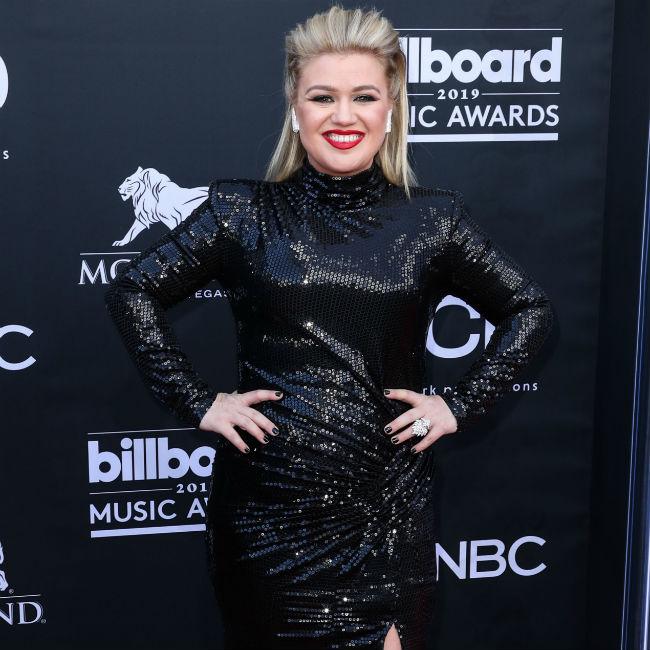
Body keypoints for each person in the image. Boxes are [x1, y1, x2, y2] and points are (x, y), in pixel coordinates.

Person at [104, 5, 554, 649]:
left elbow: (530, 310)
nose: (344, 116)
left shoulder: (434, 221)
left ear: (391, 108)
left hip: (385, 515)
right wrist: (197, 400)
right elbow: (134, 289)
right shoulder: (241, 212)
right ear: (295, 107)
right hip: (266, 518)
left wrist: (459, 404)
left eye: (364, 96)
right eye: (323, 97)